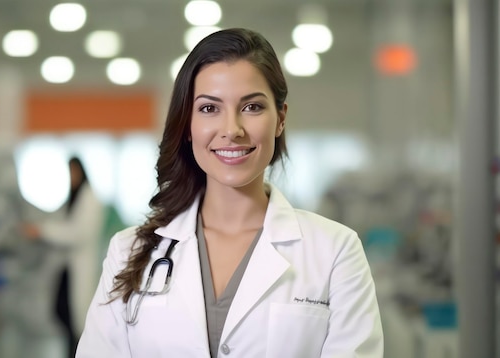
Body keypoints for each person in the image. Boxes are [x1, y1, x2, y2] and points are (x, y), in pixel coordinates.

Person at [76, 28, 383, 357]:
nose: (231, 130)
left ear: (280, 119)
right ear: (188, 126)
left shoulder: (335, 252)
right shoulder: (129, 250)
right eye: (209, 109)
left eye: (252, 107)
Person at [22, 156, 105, 358]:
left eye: (73, 172)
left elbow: (77, 233)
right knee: (62, 313)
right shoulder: (74, 198)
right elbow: (60, 220)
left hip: (80, 265)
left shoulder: (89, 199)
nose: (71, 177)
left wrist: (43, 231)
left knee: (73, 318)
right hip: (67, 266)